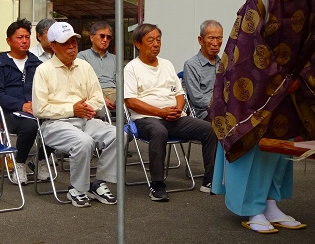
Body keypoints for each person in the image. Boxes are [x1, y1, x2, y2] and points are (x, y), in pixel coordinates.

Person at [209, 0, 315, 233]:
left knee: (282, 141)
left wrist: (299, 77)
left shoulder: (313, 1)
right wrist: (277, 78)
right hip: (254, 81)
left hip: (289, 82)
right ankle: (250, 207)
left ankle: (271, 202)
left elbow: (312, 44)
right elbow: (248, 43)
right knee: (255, 141)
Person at [124, 23, 218, 202]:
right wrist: (161, 112)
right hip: (146, 119)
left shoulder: (166, 64)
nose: (156, 44)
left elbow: (179, 94)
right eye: (150, 40)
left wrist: (178, 109)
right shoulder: (131, 68)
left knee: (209, 129)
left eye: (158, 40)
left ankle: (209, 180)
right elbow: (130, 101)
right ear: (138, 44)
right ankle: (157, 184)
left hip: (173, 117)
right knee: (159, 132)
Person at [32, 21, 118, 208]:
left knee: (119, 135)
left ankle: (98, 182)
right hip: (54, 124)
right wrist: (72, 109)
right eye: (65, 42)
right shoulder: (43, 70)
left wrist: (88, 108)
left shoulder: (84, 67)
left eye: (74, 41)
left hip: (85, 118)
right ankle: (77, 189)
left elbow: (97, 98)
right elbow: (39, 109)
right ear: (53, 46)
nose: (71, 46)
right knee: (84, 141)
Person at [0, 19, 47, 185]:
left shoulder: (37, 64)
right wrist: (21, 105)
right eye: (20, 37)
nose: (24, 41)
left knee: (58, 123)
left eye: (27, 37)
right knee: (30, 127)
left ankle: (41, 159)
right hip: (9, 113)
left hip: (36, 109)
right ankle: (19, 163)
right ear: (9, 41)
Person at [182, 20, 223, 120]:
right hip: (204, 114)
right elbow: (197, 99)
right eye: (211, 38)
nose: (215, 43)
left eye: (219, 38)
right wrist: (221, 104)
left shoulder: (223, 63)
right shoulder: (191, 65)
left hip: (225, 109)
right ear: (200, 40)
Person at [77, 21, 117, 110]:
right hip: (93, 94)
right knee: (100, 111)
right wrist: (101, 98)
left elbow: (120, 82)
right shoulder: (82, 56)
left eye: (108, 37)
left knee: (129, 106)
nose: (105, 39)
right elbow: (82, 83)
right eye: (102, 36)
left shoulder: (115, 59)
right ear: (91, 37)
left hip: (114, 93)